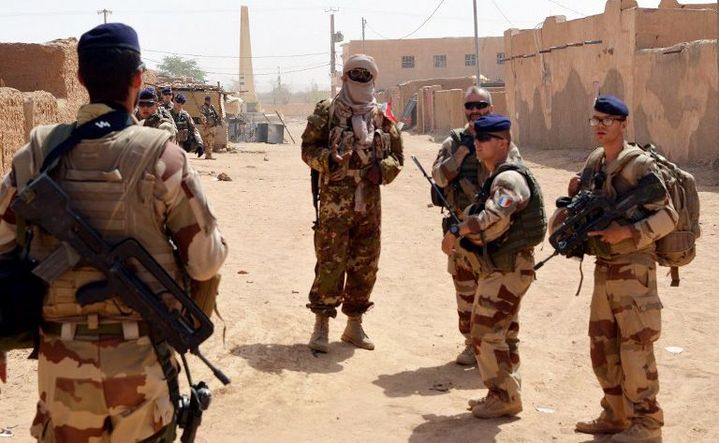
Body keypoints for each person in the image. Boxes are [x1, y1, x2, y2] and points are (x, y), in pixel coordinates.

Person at [0, 23, 228, 441]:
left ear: (82, 77)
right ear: (138, 78)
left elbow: (1, 246)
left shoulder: (34, 152)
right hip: (142, 365)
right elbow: (206, 263)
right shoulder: (164, 156)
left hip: (59, 367)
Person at [569, 96, 677, 443]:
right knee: (602, 347)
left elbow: (669, 217)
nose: (600, 125)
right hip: (605, 266)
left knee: (636, 349)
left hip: (634, 267)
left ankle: (647, 425)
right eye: (595, 119)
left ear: (623, 124)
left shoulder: (640, 166)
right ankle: (616, 414)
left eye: (608, 120)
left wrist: (628, 232)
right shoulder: (595, 161)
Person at [441, 114, 546, 419]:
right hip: (504, 265)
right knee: (504, 333)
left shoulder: (508, 179)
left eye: (483, 140)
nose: (477, 144)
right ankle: (505, 392)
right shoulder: (496, 173)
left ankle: (504, 396)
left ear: (502, 143)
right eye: (476, 139)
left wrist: (459, 230)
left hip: (508, 268)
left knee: (484, 332)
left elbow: (493, 217)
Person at [301, 54, 403, 353]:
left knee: (365, 264)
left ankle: (354, 325)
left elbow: (397, 157)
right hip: (335, 202)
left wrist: (381, 170)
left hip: (369, 204)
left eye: (365, 74)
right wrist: (329, 160)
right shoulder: (328, 110)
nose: (359, 78)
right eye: (354, 73)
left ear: (373, 79)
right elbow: (308, 149)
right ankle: (321, 325)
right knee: (330, 262)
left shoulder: (383, 116)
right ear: (345, 77)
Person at [432, 86, 497, 365]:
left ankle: (495, 347)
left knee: (495, 291)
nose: (474, 110)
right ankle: (471, 344)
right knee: (466, 293)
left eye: (480, 105)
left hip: (494, 229)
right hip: (461, 230)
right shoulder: (454, 142)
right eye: (469, 106)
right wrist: (460, 154)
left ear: (489, 108)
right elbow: (439, 177)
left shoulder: (501, 139)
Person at [171, 94, 211, 159]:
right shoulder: (168, 114)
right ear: (174, 101)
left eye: (182, 102)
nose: (179, 104)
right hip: (170, 145)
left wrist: (200, 143)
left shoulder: (185, 115)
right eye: (178, 102)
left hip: (182, 145)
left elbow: (194, 129)